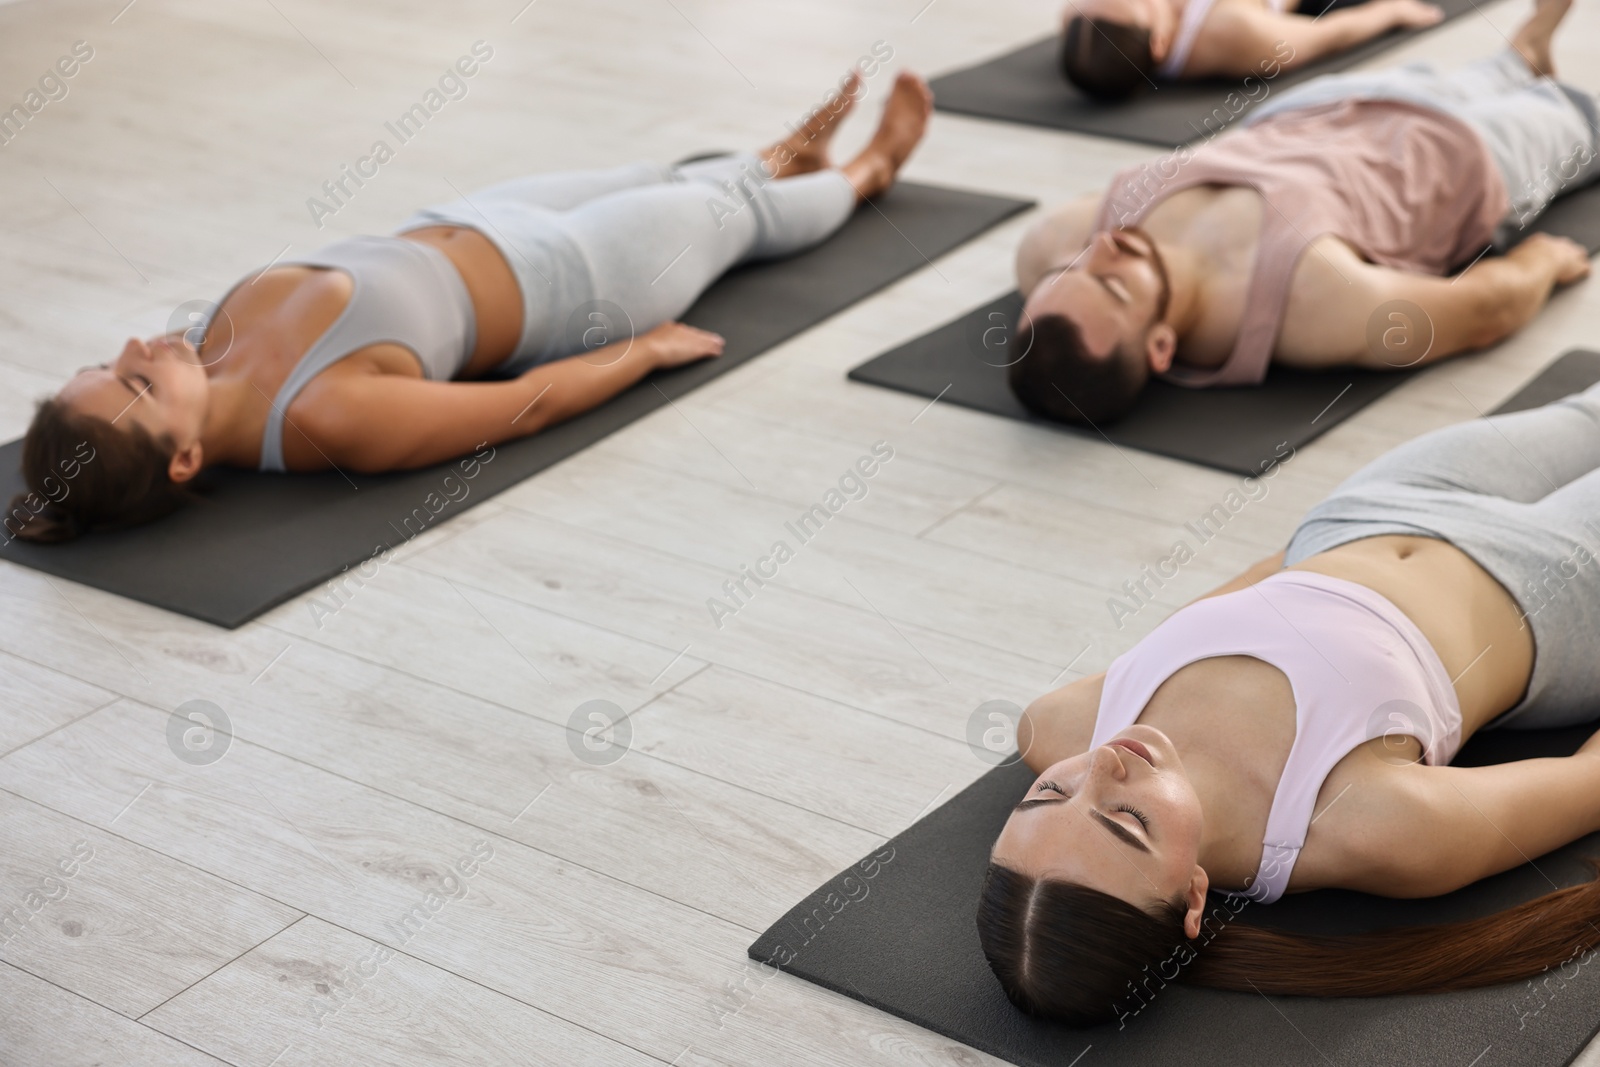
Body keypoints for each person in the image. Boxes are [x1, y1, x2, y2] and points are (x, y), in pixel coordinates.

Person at [5, 73, 934, 542]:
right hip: (581, 278)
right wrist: (641, 353)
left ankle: (783, 151)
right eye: (136, 378)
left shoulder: (202, 344)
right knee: (736, 209)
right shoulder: (330, 415)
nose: (141, 343)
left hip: (473, 216)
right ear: (188, 458)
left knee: (665, 169)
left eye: (110, 356)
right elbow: (520, 406)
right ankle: (865, 172)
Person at [977, 377, 1600, 1025]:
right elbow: (1589, 779)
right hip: (1562, 590)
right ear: (1193, 894)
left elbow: (1247, 585)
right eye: (1129, 819)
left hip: (1364, 513)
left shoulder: (1054, 725)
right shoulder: (1363, 828)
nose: (1102, 765)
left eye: (1048, 794)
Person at [1012, 0, 1596, 425]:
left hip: (1323, 108)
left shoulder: (1052, 244)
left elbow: (1057, 302)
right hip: (1471, 155)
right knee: (1584, 116)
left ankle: (1526, 50)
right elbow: (1482, 312)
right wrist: (1542, 263)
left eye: (1071, 270)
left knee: (1498, 69)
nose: (1105, 246)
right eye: (1114, 288)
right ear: (1161, 347)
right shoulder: (1307, 306)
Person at [1060, 0, 1442, 99]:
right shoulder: (1235, 36)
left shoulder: (1088, 21)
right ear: (1159, 44)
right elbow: (1329, 34)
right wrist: (1392, 11)